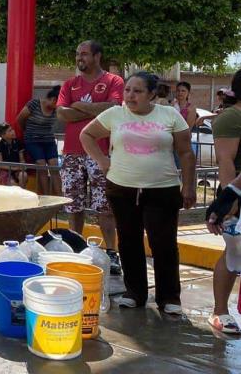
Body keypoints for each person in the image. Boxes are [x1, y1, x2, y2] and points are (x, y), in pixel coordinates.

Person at [80, 72, 195, 313]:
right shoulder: (115, 113)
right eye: (127, 90)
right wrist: (102, 160)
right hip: (122, 189)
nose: (130, 95)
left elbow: (185, 153)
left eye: (137, 91)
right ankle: (134, 292)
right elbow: (87, 135)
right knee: (129, 240)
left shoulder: (170, 115)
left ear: (152, 94)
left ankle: (169, 297)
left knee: (162, 243)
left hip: (162, 189)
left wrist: (189, 185)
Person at [56, 40, 125, 274]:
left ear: (97, 56)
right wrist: (93, 108)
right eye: (77, 54)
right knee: (74, 206)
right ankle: (77, 249)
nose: (79, 58)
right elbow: (62, 114)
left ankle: (112, 254)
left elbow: (114, 109)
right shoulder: (69, 84)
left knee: (105, 207)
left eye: (84, 54)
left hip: (101, 154)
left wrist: (79, 106)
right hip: (72, 154)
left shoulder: (113, 81)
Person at [205, 71, 241, 334]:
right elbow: (225, 161)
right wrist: (231, 199)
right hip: (237, 195)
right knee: (233, 253)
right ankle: (220, 311)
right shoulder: (232, 118)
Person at [16, 86, 62, 195]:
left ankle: (60, 197)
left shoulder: (57, 109)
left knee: (54, 166)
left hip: (49, 140)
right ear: (53, 100)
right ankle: (46, 196)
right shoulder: (34, 104)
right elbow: (20, 119)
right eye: (58, 103)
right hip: (33, 140)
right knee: (41, 166)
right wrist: (27, 131)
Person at [0, 123, 28, 187]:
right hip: (5, 169)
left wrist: (23, 166)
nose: (13, 131)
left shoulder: (18, 142)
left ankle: (21, 193)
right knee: (13, 184)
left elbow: (22, 159)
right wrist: (14, 168)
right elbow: (0, 164)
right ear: (3, 135)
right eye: (10, 131)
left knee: (24, 175)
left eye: (12, 129)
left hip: (17, 168)